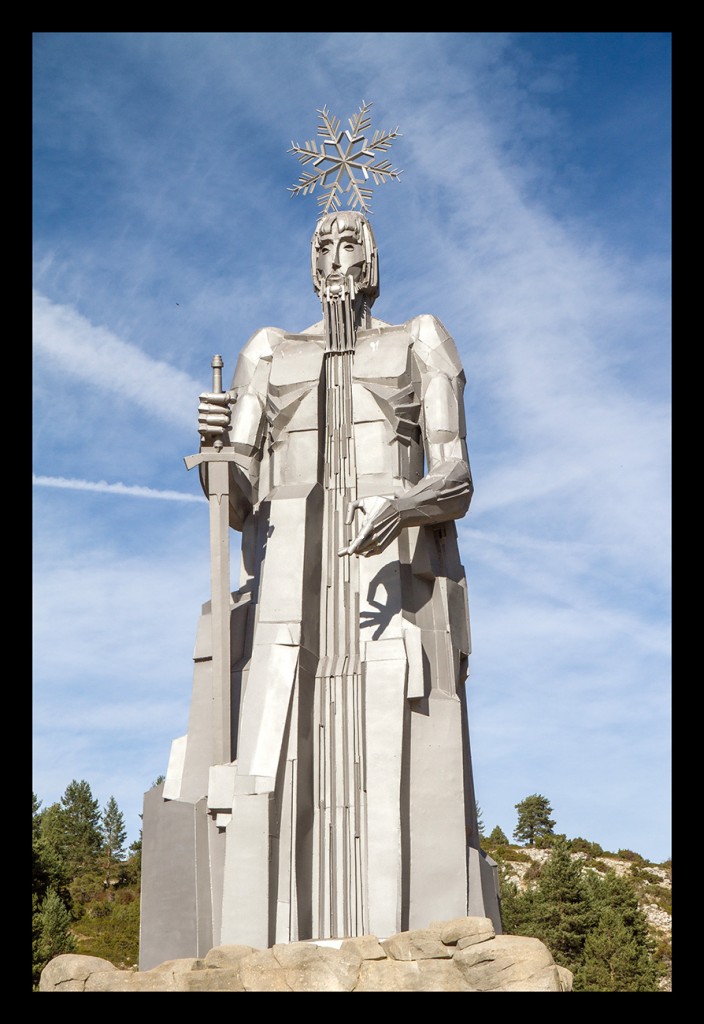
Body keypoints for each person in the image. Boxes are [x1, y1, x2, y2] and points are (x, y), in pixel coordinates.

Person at [139, 210, 500, 966]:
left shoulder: (418, 340)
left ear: (373, 260)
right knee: (267, 752)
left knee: (399, 747)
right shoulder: (269, 352)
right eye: (322, 247)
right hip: (285, 591)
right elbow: (235, 490)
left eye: (349, 246)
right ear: (311, 264)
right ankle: (252, 953)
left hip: (387, 589)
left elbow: (457, 474)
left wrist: (402, 504)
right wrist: (215, 451)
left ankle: (405, 948)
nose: (336, 260)